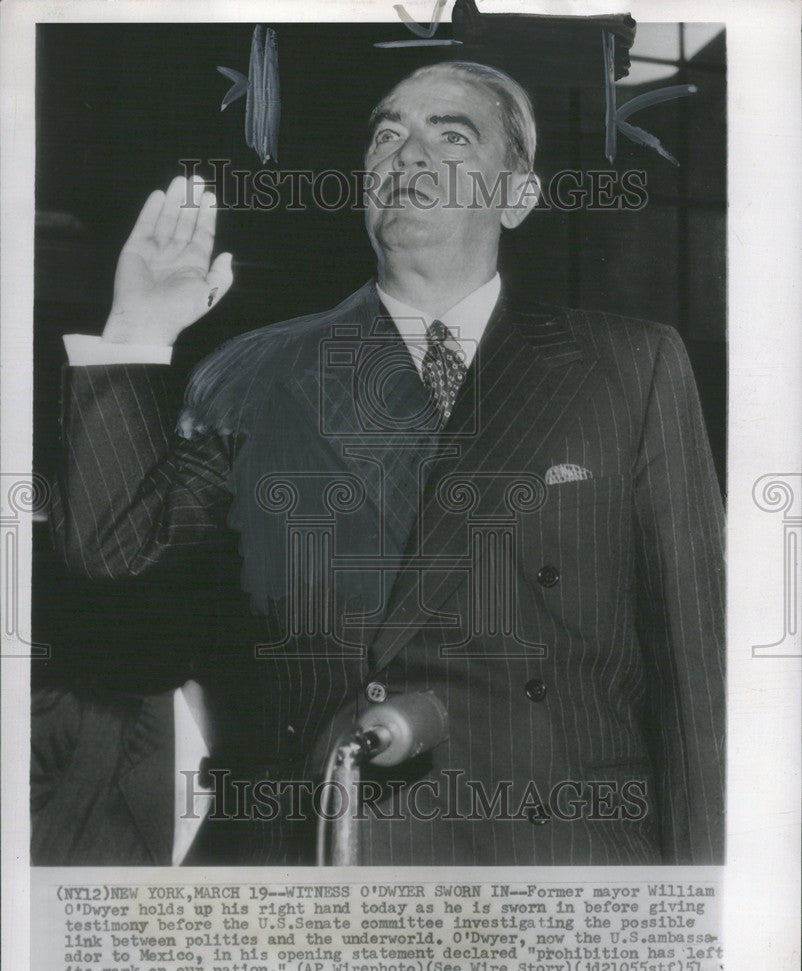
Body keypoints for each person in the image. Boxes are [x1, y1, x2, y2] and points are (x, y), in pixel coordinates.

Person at [43, 60, 725, 866]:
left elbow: (697, 675)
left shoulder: (630, 367)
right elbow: (115, 550)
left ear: (517, 195)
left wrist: (705, 907)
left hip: (564, 865)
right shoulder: (261, 372)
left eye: (453, 134)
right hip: (338, 856)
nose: (407, 155)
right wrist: (133, 334)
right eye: (388, 135)